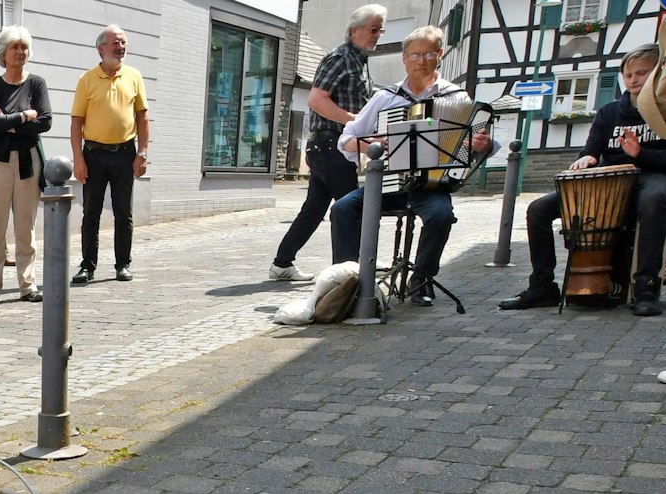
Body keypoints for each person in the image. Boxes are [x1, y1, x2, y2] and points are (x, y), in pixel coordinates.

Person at [328, 25, 491, 307]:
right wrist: (374, 148)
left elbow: (474, 147)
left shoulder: (458, 98)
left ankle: (422, 280)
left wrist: (480, 146)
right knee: (342, 208)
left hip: (432, 185)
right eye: (414, 55)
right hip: (389, 181)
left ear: (439, 55)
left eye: (428, 54)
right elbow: (348, 139)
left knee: (441, 216)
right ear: (404, 58)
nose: (421, 61)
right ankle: (348, 281)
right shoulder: (385, 98)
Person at [499, 43, 664, 317]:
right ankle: (542, 286)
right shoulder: (609, 112)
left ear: (658, 74)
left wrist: (641, 153)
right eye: (628, 74)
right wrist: (587, 158)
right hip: (608, 182)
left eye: (642, 73)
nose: (634, 80)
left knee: (655, 202)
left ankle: (646, 289)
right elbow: (592, 149)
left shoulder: (663, 112)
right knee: (538, 209)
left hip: (651, 177)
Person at [269, 5, 383, 282]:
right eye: (373, 29)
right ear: (355, 31)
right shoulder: (340, 58)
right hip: (330, 145)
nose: (378, 35)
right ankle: (347, 274)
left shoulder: (359, 62)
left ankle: (282, 264)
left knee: (314, 209)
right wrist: (354, 121)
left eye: (380, 30)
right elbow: (316, 100)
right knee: (351, 209)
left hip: (333, 145)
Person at [70, 24, 147, 285]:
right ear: (101, 48)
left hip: (125, 154)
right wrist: (78, 159)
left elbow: (142, 117)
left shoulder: (134, 76)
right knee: (90, 213)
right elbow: (76, 123)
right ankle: (87, 267)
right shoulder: (87, 80)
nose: (122, 47)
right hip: (93, 154)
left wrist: (143, 153)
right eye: (116, 42)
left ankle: (122, 265)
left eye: (124, 42)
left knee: (123, 212)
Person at [0, 25, 49, 303]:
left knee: (25, 225)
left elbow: (45, 121)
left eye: (24, 47)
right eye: (14, 47)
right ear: (3, 53)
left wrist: (7, 121)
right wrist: (24, 117)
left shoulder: (37, 83)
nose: (20, 52)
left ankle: (27, 285)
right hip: (0, 160)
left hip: (28, 161)